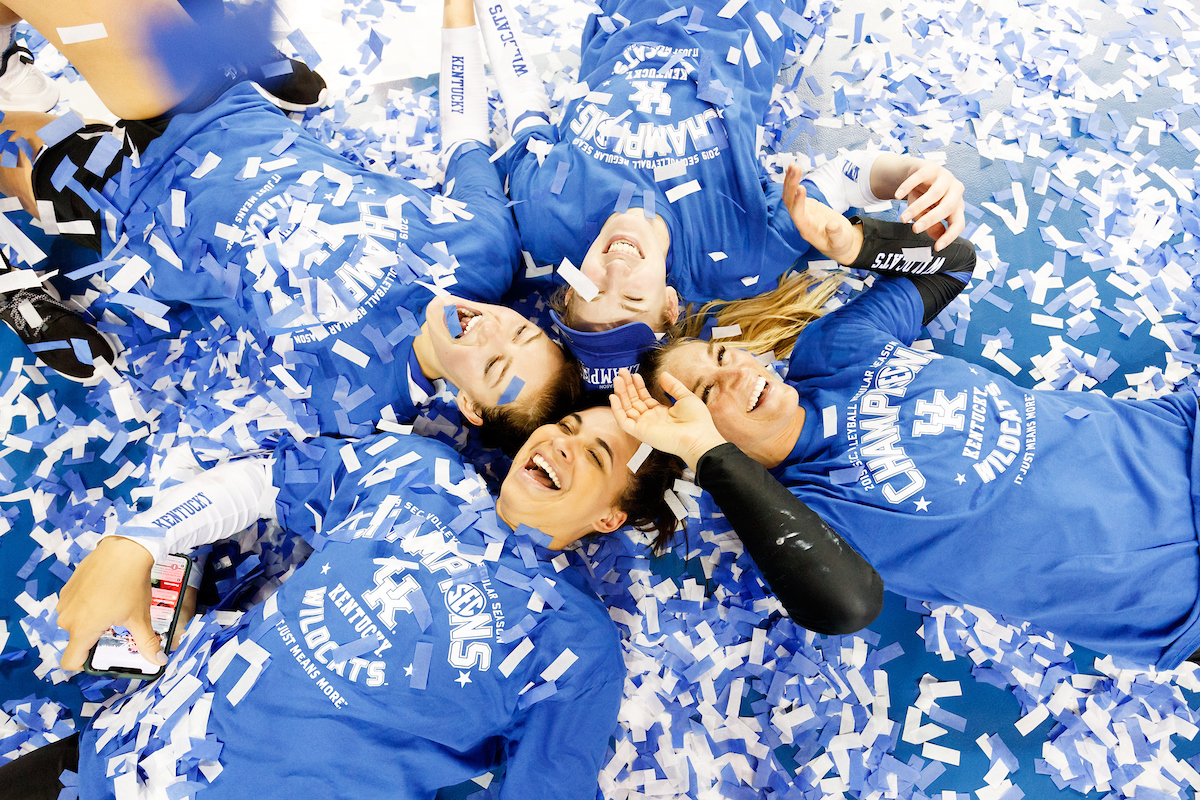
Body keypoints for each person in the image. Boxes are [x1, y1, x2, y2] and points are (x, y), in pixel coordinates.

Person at [615, 198, 1200, 671]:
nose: (739, 372)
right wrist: (703, 453)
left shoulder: (832, 352)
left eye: (722, 355)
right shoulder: (808, 514)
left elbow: (955, 261)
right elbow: (847, 605)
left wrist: (863, 244)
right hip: (1171, 593)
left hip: (1178, 440)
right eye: (709, 392)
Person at [0, 406, 683, 799]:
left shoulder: (576, 641)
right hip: (113, 763)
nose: (563, 443)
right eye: (567, 423)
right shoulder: (419, 472)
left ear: (609, 520)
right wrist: (139, 540)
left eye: (594, 456)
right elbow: (264, 480)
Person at [0, 0, 579, 449]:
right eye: (522, 333)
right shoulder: (484, 249)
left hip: (127, 208)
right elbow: (466, 143)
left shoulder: (352, 409)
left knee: (9, 142)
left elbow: (240, 452)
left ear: (470, 406)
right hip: (211, 115)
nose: (491, 333)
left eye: (495, 365)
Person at [469, 0, 966, 388]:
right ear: (668, 305)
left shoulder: (544, 219)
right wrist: (910, 173)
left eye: (593, 289)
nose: (616, 269)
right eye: (633, 296)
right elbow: (846, 180)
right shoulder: (742, 255)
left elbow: (524, 105)